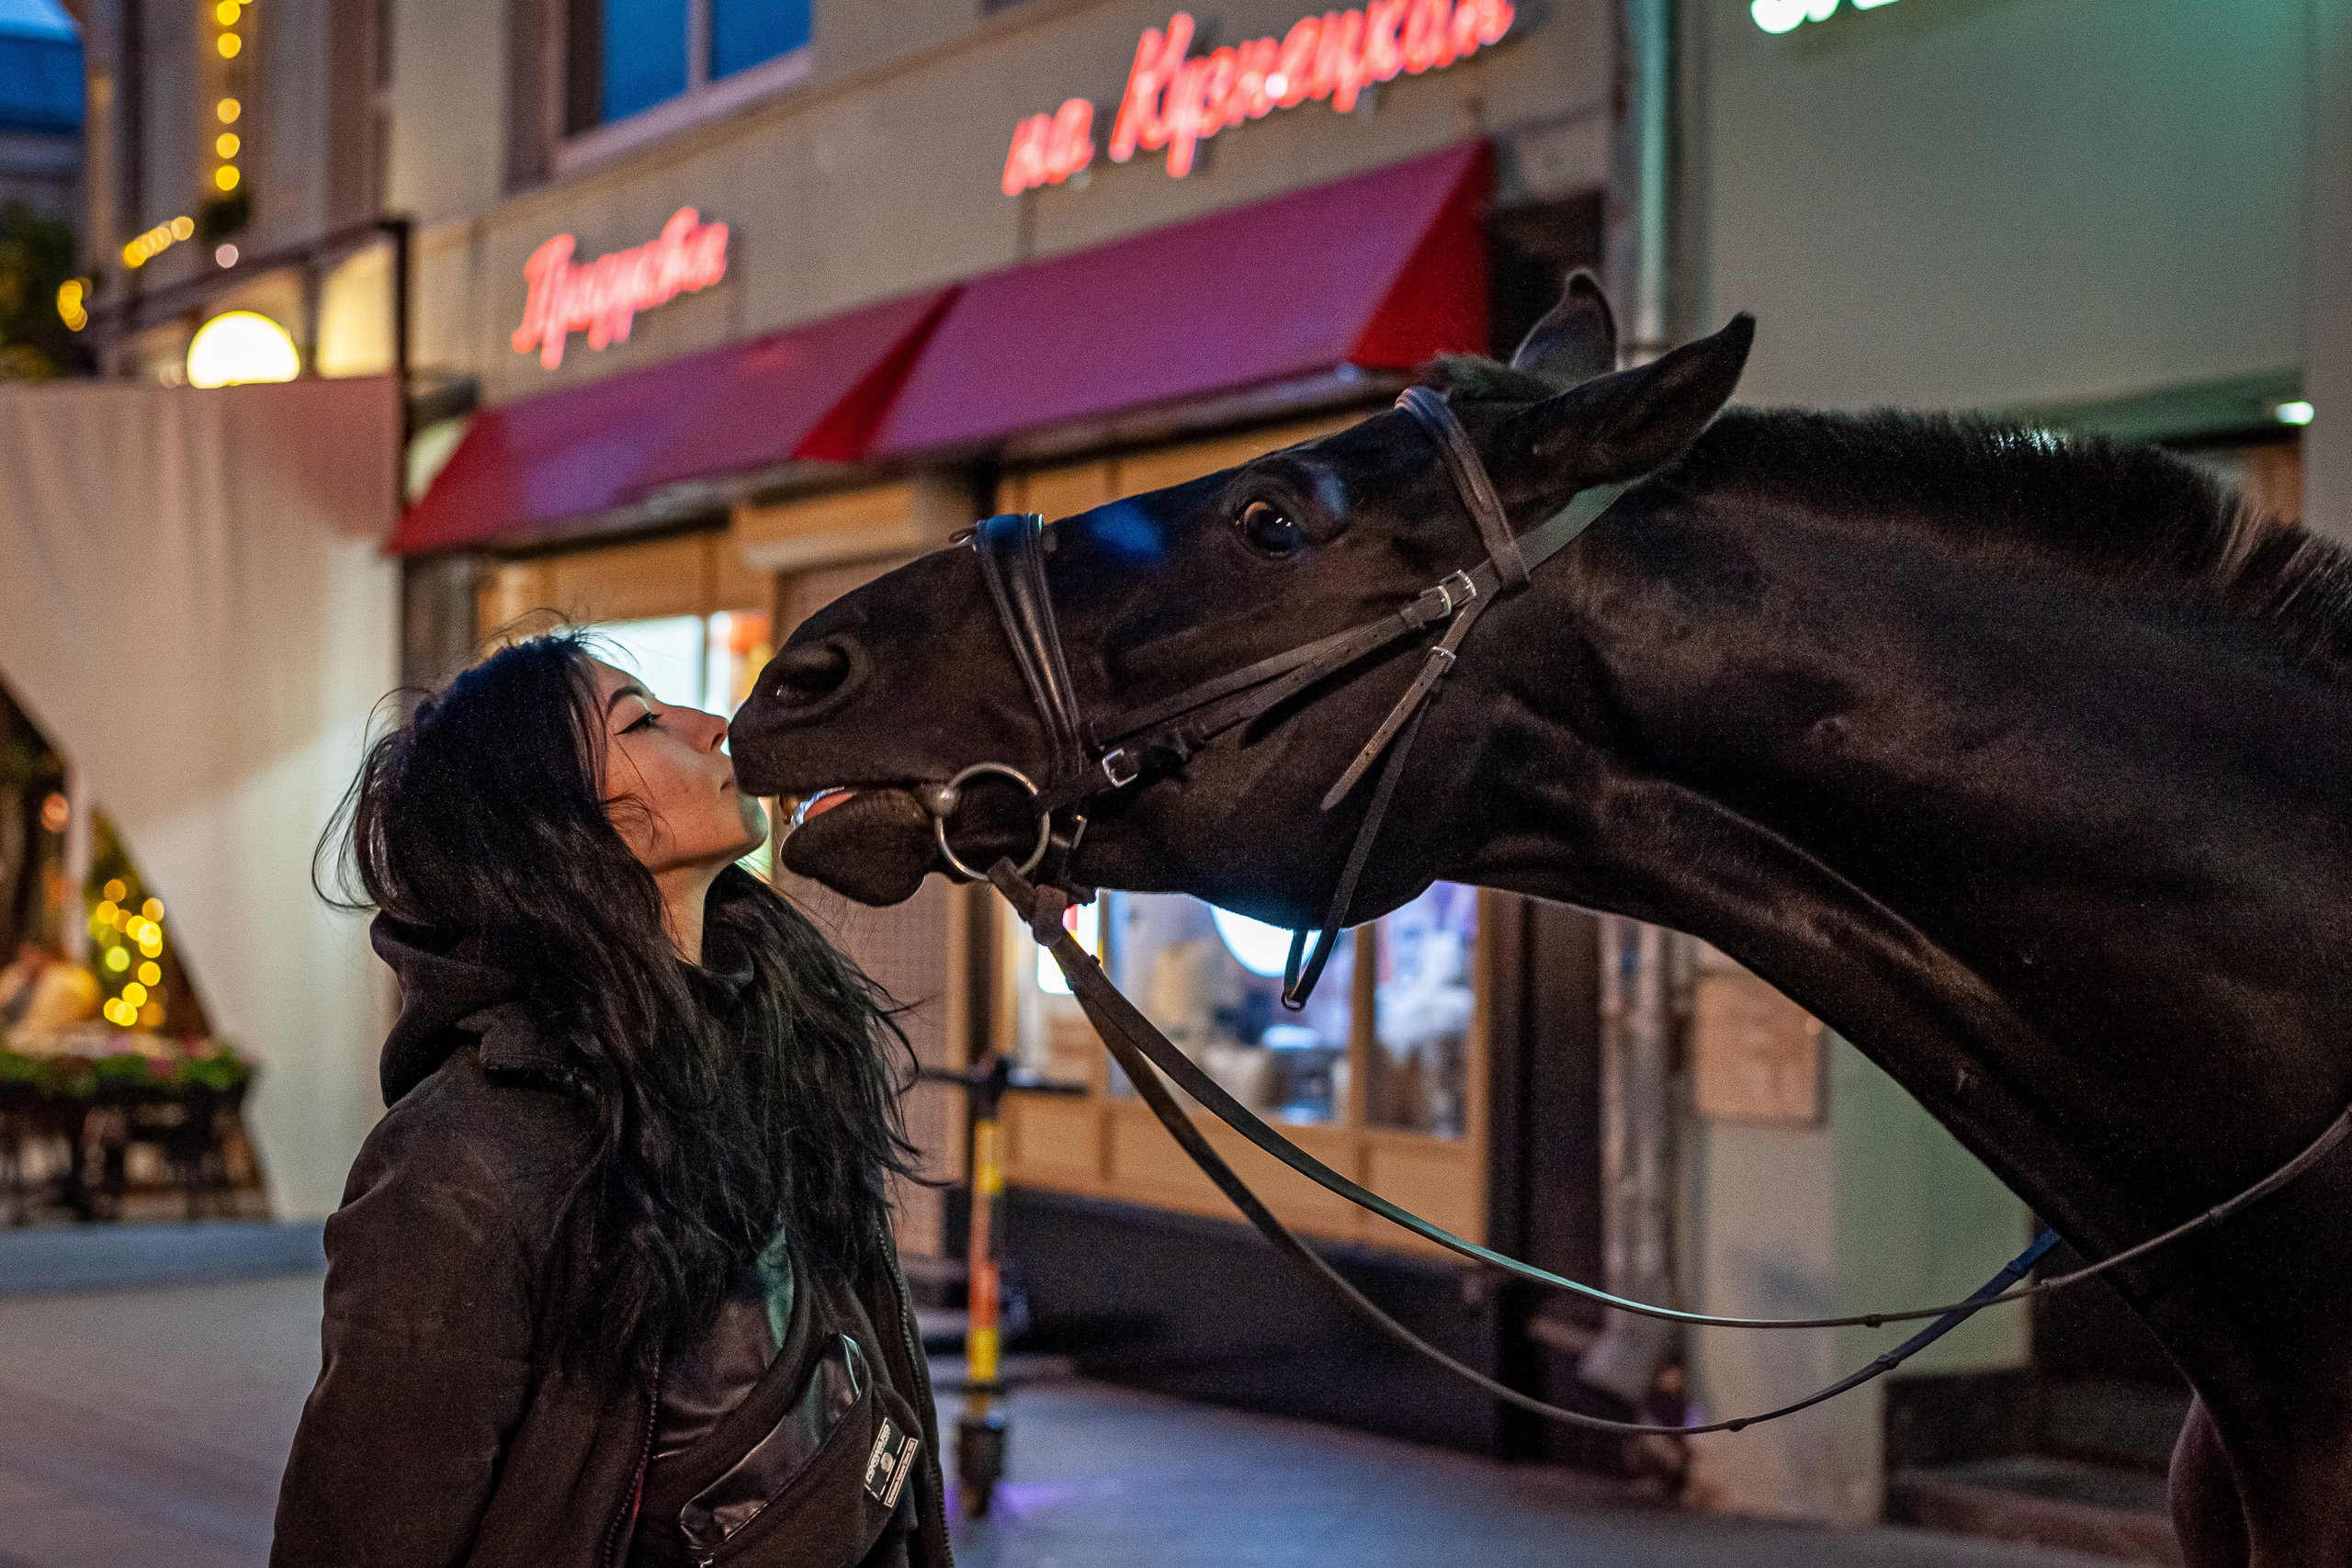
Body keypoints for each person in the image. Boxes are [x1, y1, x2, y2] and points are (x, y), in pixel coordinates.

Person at [274, 631, 946, 1568]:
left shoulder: (784, 1049)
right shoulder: (459, 1160)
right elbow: (362, 1536)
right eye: (643, 720)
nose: (714, 727)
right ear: (557, 825)